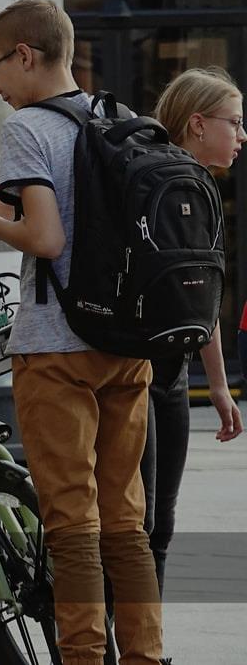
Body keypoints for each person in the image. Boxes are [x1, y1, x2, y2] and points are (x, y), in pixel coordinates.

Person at [0, 0, 164, 663]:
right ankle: (146, 655)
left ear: (25, 55)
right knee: (125, 523)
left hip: (57, 349)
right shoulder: (117, 117)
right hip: (126, 348)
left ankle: (84, 658)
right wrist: (4, 209)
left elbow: (46, 238)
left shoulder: (27, 127)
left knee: (71, 525)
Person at [146, 67, 244, 595]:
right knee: (142, 524)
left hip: (173, 376)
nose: (242, 135)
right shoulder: (153, 181)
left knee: (158, 524)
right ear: (199, 124)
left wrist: (220, 387)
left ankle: (145, 635)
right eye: (235, 122)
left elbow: (200, 300)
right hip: (136, 374)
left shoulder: (200, 191)